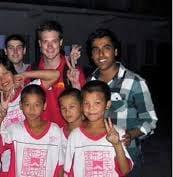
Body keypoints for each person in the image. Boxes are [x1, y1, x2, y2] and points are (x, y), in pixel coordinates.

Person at [86, 28, 158, 177]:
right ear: (91, 55)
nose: (101, 55)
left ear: (116, 51)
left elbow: (150, 120)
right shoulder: (89, 83)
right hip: (97, 155)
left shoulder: (135, 82)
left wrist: (131, 135)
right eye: (96, 50)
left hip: (128, 155)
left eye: (106, 48)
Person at [0, 57, 59, 176]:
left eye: (5, 73)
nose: (2, 79)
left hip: (38, 160)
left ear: (13, 73)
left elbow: (55, 75)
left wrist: (24, 74)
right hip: (9, 166)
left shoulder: (28, 92)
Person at [0, 84, 64, 177]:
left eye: (37, 105)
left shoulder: (54, 130)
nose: (32, 109)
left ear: (44, 105)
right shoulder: (15, 130)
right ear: (21, 105)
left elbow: (60, 165)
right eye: (27, 104)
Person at [64, 80, 133, 177]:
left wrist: (117, 144)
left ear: (107, 104)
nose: (91, 108)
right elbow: (68, 170)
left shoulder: (117, 133)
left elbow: (125, 170)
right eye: (86, 103)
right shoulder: (75, 135)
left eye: (97, 103)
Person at [29, 20, 86, 127]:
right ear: (40, 44)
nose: (50, 46)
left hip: (67, 134)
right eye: (45, 41)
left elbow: (84, 108)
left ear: (60, 43)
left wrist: (75, 84)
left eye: (54, 41)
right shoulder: (31, 71)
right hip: (41, 136)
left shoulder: (73, 71)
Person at [58, 88, 84, 156]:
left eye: (71, 107)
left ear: (82, 106)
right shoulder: (58, 134)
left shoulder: (90, 132)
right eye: (63, 108)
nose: (67, 112)